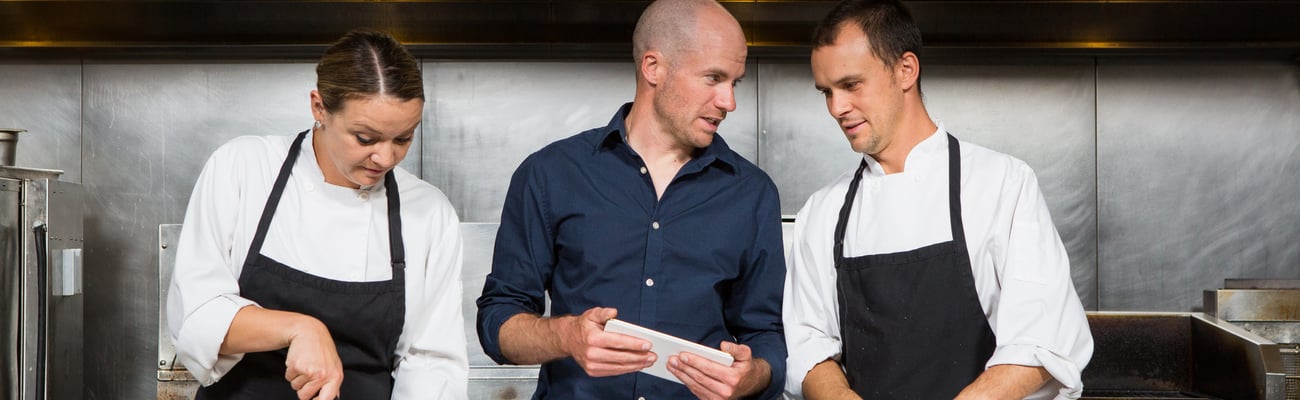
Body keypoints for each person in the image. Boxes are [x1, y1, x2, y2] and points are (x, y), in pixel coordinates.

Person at [474, 0, 787, 399]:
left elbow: (767, 334)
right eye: (713, 78)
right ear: (653, 67)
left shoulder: (751, 193)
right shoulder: (550, 173)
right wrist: (565, 336)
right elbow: (497, 321)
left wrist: (754, 374)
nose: (729, 102)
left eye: (734, 83)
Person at [782, 1, 1094, 399]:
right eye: (826, 92)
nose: (836, 108)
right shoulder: (823, 212)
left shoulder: (1002, 184)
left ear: (905, 70)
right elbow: (808, 344)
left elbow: (1044, 340)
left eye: (851, 85)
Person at [167, 30, 468, 400]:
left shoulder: (429, 212)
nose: (385, 158)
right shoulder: (244, 169)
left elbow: (430, 363)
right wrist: (299, 328)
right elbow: (196, 317)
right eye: (365, 138)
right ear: (319, 107)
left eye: (403, 139)